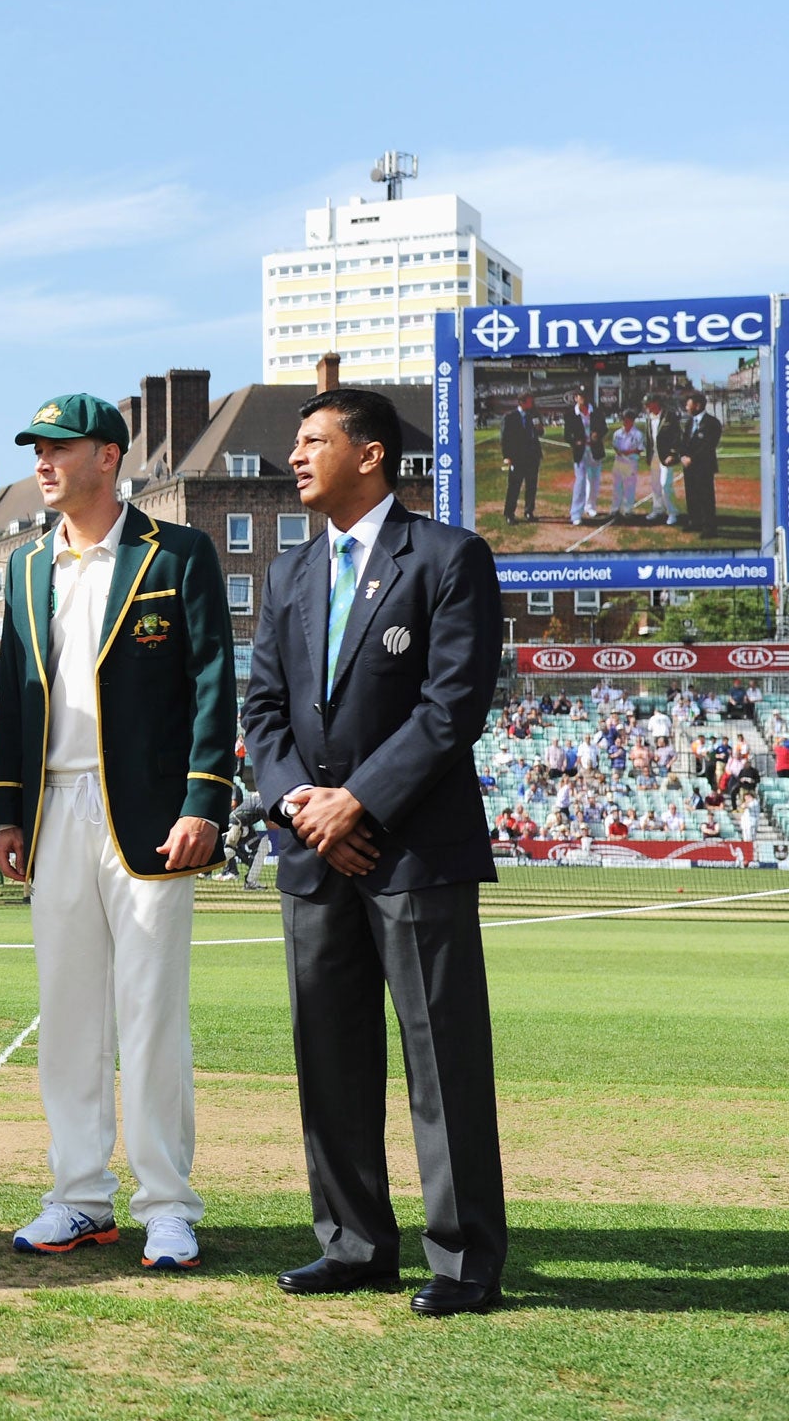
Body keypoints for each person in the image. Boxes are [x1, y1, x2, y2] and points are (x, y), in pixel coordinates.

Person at [240, 386, 508, 1318]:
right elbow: (264, 710)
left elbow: (453, 707)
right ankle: (353, 1244)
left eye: (313, 441)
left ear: (372, 455)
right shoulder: (287, 575)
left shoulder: (446, 557)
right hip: (315, 856)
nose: (295, 458)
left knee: (442, 1060)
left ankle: (465, 1259)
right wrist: (301, 806)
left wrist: (361, 804)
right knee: (330, 1056)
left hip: (412, 853)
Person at [0, 394, 236, 1272]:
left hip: (149, 815)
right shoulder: (22, 567)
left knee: (151, 1015)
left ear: (109, 456)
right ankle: (78, 1198)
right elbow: (16, 693)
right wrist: (9, 809)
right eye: (36, 447)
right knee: (68, 1014)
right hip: (55, 810)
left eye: (59, 447)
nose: (42, 462)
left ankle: (168, 1205)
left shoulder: (179, 551)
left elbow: (214, 676)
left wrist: (205, 801)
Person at [678, 394, 722, 536]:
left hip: (703, 466)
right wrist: (683, 456)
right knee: (691, 495)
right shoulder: (689, 422)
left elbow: (708, 446)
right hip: (689, 466)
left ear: (697, 405)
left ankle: (709, 527)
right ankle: (694, 522)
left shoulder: (712, 423)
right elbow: (684, 441)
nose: (686, 407)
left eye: (688, 404)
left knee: (705, 496)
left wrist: (692, 458)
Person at [498, 394, 542, 523]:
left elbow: (540, 432)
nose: (532, 404)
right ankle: (509, 514)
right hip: (517, 458)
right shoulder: (510, 417)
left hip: (532, 457)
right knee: (514, 486)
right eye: (529, 402)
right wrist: (507, 456)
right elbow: (504, 438)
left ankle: (529, 512)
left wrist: (539, 427)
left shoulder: (533, 415)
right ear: (522, 402)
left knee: (531, 486)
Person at [564, 390, 606, 526]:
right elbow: (567, 435)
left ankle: (591, 506)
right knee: (580, 482)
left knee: (594, 480)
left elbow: (604, 428)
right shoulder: (570, 414)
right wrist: (575, 442)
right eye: (580, 396)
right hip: (580, 452)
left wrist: (597, 434)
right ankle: (576, 514)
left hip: (595, 450)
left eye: (585, 396)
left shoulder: (597, 412)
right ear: (576, 398)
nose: (583, 399)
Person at [641, 394, 679, 525]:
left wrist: (673, 454)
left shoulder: (670, 416)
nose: (646, 407)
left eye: (648, 404)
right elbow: (649, 438)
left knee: (665, 485)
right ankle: (658, 509)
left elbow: (677, 435)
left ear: (655, 403)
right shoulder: (648, 418)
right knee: (656, 485)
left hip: (666, 456)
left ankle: (672, 512)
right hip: (654, 456)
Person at [609, 409, 645, 520]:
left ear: (631, 420)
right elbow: (614, 445)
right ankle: (615, 509)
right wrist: (618, 451)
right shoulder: (618, 433)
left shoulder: (638, 434)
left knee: (629, 487)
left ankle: (627, 510)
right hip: (619, 461)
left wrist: (628, 452)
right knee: (617, 486)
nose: (624, 422)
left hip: (631, 461)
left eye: (626, 419)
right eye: (623, 419)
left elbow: (640, 449)